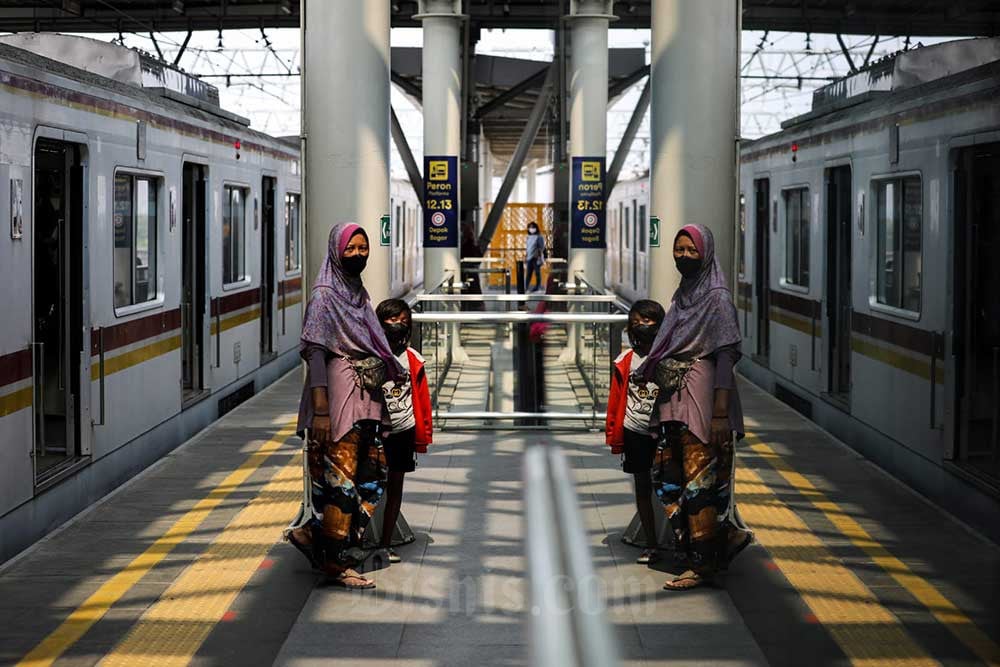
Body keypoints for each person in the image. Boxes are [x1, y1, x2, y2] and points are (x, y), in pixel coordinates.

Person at [285, 222, 405, 589]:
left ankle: (311, 535)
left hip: (364, 401)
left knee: (371, 476)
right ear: (336, 251)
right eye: (350, 249)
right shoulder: (324, 296)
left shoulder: (357, 292)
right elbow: (315, 354)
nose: (357, 254)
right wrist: (321, 412)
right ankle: (335, 563)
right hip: (337, 403)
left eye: (362, 248)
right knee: (341, 482)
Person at [637, 224, 752, 591]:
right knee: (669, 479)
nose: (684, 256)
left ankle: (703, 565)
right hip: (676, 404)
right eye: (679, 249)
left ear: (706, 253)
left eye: (692, 250)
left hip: (704, 405)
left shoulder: (716, 299)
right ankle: (724, 539)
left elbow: (726, 356)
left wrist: (720, 414)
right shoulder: (685, 293)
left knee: (699, 485)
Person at [605, 299, 666, 565]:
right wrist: (613, 435)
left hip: (663, 431)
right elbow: (615, 401)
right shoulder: (625, 361)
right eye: (636, 321)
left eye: (648, 320)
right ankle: (651, 543)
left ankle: (681, 541)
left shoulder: (668, 357)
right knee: (642, 488)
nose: (641, 325)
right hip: (634, 431)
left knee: (669, 487)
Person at [375, 298, 433, 563]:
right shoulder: (371, 356)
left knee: (395, 487)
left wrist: (423, 434)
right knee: (368, 486)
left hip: (403, 431)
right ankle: (357, 539)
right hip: (375, 432)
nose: (398, 325)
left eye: (403, 320)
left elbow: (422, 401)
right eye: (391, 319)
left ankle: (385, 543)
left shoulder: (413, 360)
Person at [524, 221, 545, 292]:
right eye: (530, 227)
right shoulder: (528, 237)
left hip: (536, 258)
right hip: (529, 257)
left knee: (537, 273)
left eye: (533, 227)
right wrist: (526, 257)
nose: (531, 229)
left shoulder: (539, 237)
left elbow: (541, 247)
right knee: (528, 274)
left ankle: (537, 287)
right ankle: (525, 287)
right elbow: (527, 248)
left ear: (536, 228)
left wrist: (538, 254)